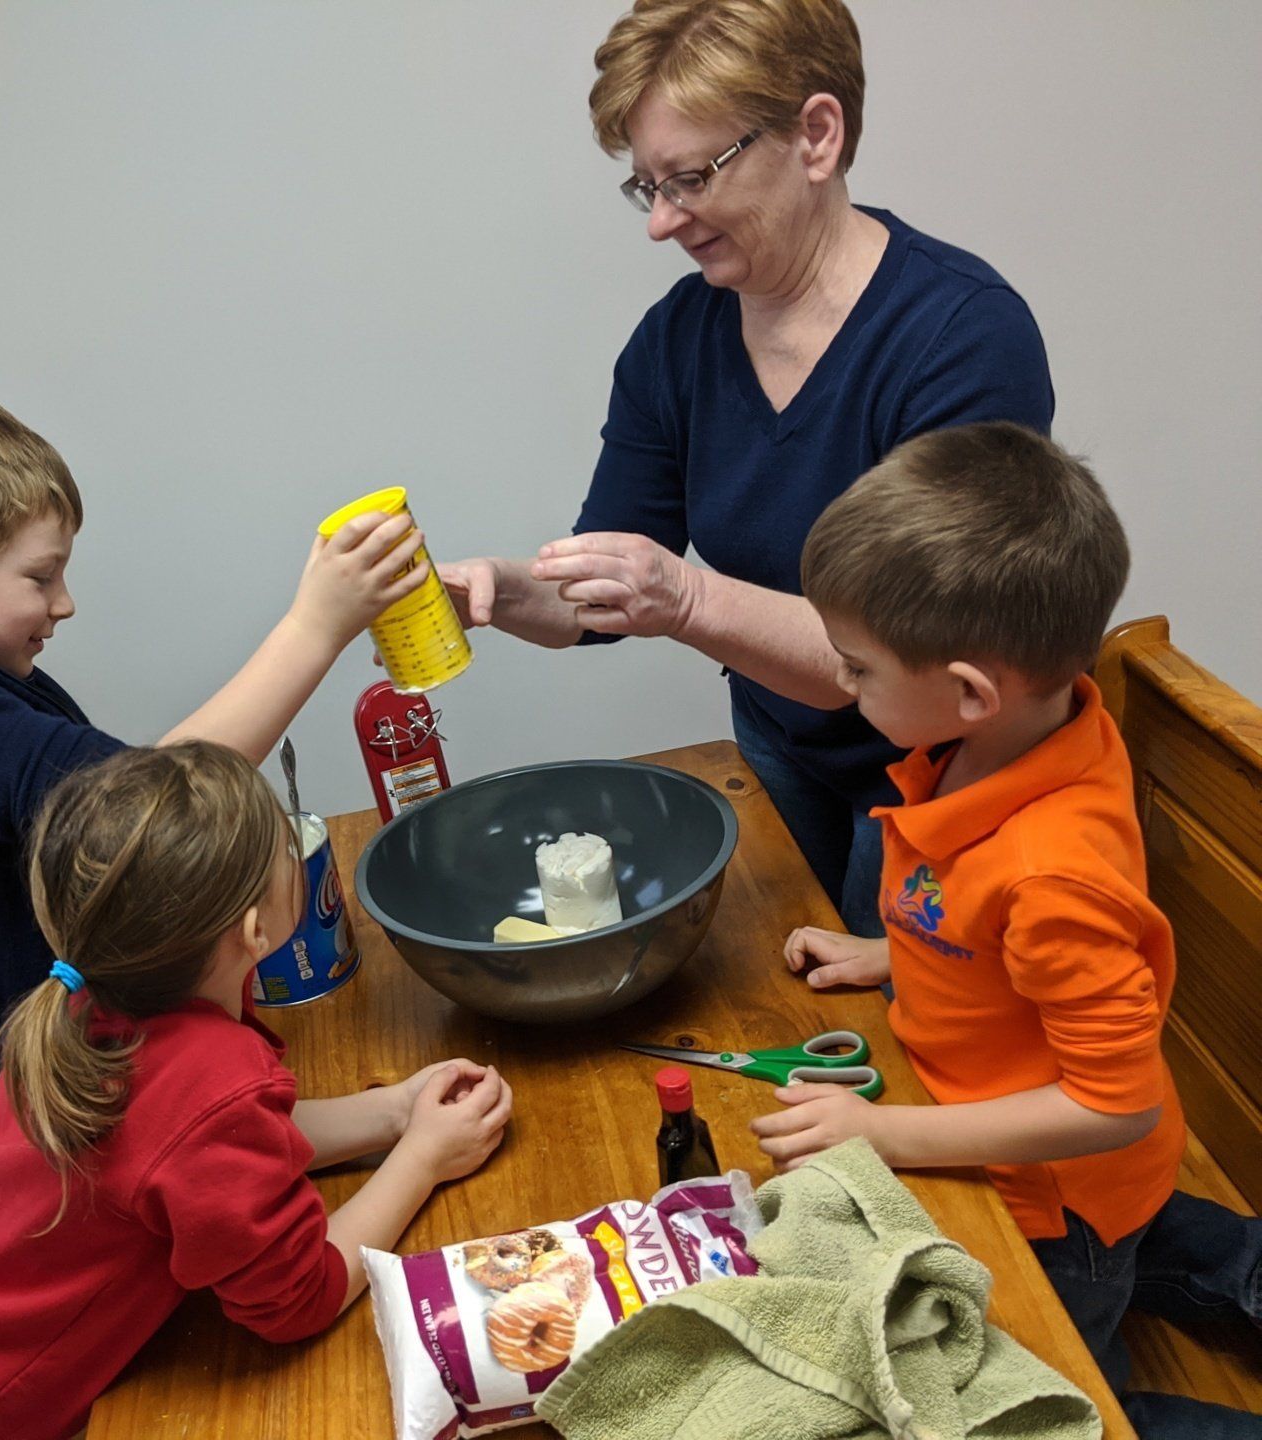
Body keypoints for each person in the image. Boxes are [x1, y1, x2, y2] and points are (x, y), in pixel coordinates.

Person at [444, 0, 1053, 937]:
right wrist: (496, 591)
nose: (660, 224)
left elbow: (907, 664)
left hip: (944, 771)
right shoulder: (677, 342)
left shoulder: (962, 339)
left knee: (892, 1032)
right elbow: (613, 583)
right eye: (644, 187)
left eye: (688, 179)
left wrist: (688, 600)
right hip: (780, 742)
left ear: (816, 134)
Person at [0, 742, 515, 1440]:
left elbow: (205, 1153)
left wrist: (390, 1114)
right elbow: (298, 1297)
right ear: (254, 931)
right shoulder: (211, 1085)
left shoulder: (83, 1000)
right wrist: (420, 1159)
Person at [752, 422, 1262, 1437]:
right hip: (1069, 1166)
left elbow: (1111, 1104)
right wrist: (897, 950)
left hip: (1056, 1195)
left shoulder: (1053, 871)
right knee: (1155, 1241)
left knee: (1048, 1405)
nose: (843, 687)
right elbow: (983, 928)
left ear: (970, 693)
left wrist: (879, 1131)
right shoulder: (1015, 737)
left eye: (856, 670)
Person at [0, 386, 425, 1136]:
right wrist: (315, 628)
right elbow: (147, 808)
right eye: (40, 577)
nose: (64, 602)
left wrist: (395, 1114)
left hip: (83, 1054)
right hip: (30, 1090)